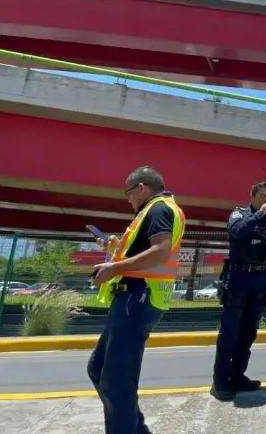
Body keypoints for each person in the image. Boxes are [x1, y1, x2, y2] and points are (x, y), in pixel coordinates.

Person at [88, 166, 186, 434]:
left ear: (141, 188)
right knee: (98, 369)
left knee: (116, 381)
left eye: (128, 193)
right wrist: (115, 248)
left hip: (138, 298)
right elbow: (144, 251)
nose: (128, 199)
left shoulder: (158, 209)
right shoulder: (152, 211)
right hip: (133, 297)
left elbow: (160, 251)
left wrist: (114, 268)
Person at [211, 181, 266, 400]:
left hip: (261, 280)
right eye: (262, 196)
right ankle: (220, 382)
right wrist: (258, 214)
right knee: (230, 333)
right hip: (239, 279)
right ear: (252, 196)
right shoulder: (239, 215)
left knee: (248, 333)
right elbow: (237, 232)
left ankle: (237, 377)